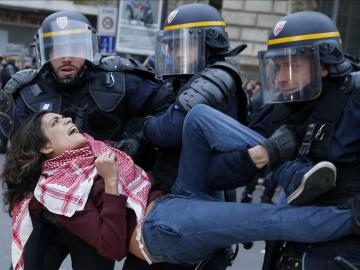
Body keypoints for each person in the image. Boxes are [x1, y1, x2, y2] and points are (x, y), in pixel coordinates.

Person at [1, 111, 354, 270]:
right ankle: (351, 217)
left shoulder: (92, 149)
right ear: (45, 148)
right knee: (265, 218)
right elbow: (110, 248)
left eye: (63, 117)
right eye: (55, 123)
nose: (66, 120)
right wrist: (110, 183)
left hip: (172, 198)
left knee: (198, 118)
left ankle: (289, 172)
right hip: (159, 231)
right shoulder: (56, 192)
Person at [2, 10, 173, 270]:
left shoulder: (119, 80)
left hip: (101, 214)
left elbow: (168, 107)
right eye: (57, 49)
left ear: (90, 47)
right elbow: (17, 154)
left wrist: (137, 140)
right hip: (48, 215)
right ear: (44, 52)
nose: (66, 56)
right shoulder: (25, 93)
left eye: (74, 46)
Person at [202, 11, 360, 269]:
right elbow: (218, 173)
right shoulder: (278, 109)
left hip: (345, 247)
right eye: (277, 66)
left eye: (293, 65)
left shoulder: (353, 97)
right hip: (291, 247)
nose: (281, 78)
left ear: (323, 64)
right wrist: (264, 154)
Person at [126, 4, 248, 269]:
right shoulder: (184, 80)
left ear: (209, 42)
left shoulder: (218, 75)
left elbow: (171, 130)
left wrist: (146, 128)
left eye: (181, 44)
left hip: (197, 204)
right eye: (171, 45)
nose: (173, 52)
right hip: (168, 201)